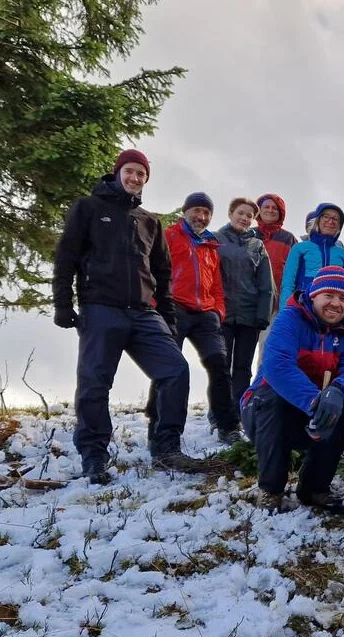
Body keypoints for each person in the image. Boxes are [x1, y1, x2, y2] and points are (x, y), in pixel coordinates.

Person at [51, 149, 193, 483]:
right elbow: (66, 256)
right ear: (117, 172)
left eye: (141, 174)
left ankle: (166, 446)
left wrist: (169, 319)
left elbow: (162, 273)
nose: (135, 178)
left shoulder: (149, 221)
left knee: (175, 370)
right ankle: (95, 456)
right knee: (94, 383)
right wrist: (62, 304)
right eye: (130, 171)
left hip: (143, 312)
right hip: (100, 308)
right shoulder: (88, 208)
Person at [240, 266, 344, 513]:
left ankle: (314, 488)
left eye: (342, 298)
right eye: (329, 295)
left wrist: (338, 390)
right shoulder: (290, 318)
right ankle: (271, 489)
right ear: (314, 295)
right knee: (272, 398)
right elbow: (278, 366)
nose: (336, 304)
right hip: (265, 410)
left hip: (314, 414)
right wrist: (316, 402)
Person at [145, 192, 237, 451]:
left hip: (206, 313)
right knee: (169, 368)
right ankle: (157, 427)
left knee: (219, 364)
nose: (202, 217)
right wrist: (156, 305)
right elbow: (152, 271)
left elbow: (217, 283)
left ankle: (227, 425)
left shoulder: (211, 244)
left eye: (207, 213)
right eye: (197, 210)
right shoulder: (170, 235)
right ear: (185, 212)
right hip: (174, 308)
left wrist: (218, 309)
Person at [215, 198, 274, 439]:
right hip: (223, 314)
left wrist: (263, 315)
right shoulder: (216, 240)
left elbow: (266, 284)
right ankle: (220, 417)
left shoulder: (257, 245)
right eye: (241, 213)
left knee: (243, 367)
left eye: (249, 215)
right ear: (230, 213)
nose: (245, 218)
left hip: (250, 316)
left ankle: (239, 413)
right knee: (221, 367)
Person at [280, 203, 344, 307]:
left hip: (333, 309)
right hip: (303, 306)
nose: (330, 221)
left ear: (340, 226)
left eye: (336, 219)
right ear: (318, 220)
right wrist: (285, 310)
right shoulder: (299, 248)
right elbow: (288, 283)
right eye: (326, 216)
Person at [254, 193, 299, 358]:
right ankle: (233, 385)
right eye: (266, 206)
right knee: (238, 351)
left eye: (275, 208)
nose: (270, 210)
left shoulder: (288, 239)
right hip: (247, 302)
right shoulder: (247, 234)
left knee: (268, 349)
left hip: (274, 304)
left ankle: (262, 384)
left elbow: (296, 272)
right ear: (258, 210)